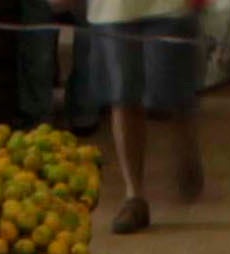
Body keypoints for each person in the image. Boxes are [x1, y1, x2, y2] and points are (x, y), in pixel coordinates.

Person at [77, 0, 208, 233]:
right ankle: (134, 196)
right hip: (111, 10)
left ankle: (186, 144)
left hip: (171, 7)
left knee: (175, 93)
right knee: (123, 97)